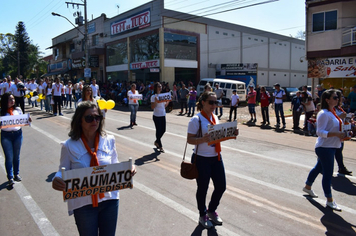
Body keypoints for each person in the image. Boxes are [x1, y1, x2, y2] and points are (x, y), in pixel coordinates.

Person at [52, 101, 136, 235]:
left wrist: (128, 169)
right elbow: (62, 170)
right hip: (83, 204)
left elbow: (115, 164)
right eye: (89, 118)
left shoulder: (109, 140)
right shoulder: (68, 146)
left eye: (97, 117)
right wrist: (57, 179)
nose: (94, 121)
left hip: (109, 200)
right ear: (79, 120)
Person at [187, 91, 239, 229]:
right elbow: (189, 139)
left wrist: (231, 134)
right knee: (202, 188)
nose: (214, 105)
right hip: (201, 159)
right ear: (203, 102)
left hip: (216, 157)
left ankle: (211, 210)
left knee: (221, 186)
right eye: (211, 102)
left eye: (216, 102)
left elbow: (218, 137)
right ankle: (202, 214)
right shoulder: (196, 119)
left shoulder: (215, 117)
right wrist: (201, 140)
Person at [303, 89, 346, 211]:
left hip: (332, 146)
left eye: (338, 97)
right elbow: (319, 132)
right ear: (327, 100)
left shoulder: (333, 112)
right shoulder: (323, 113)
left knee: (319, 168)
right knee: (328, 174)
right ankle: (330, 200)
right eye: (335, 97)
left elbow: (338, 128)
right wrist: (336, 134)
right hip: (324, 148)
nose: (337, 99)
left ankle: (307, 186)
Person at [1, 93, 31, 186]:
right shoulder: (1, 111)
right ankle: (10, 177)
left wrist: (28, 120)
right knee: (9, 157)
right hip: (6, 136)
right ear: (5, 101)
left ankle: (16, 174)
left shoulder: (18, 110)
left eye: (13, 99)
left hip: (18, 135)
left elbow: (23, 120)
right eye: (10, 99)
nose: (12, 101)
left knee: (16, 156)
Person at [334, 91, 352, 175]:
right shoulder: (331, 108)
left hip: (341, 132)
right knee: (331, 151)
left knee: (339, 150)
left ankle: (341, 167)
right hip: (334, 133)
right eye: (340, 96)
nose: (342, 98)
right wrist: (341, 116)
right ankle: (320, 167)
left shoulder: (339, 108)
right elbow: (331, 118)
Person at [151, 82, 169, 152]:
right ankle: (160, 146)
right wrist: (155, 101)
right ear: (156, 88)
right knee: (158, 130)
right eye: (158, 86)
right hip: (156, 115)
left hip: (163, 115)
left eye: (160, 86)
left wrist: (168, 101)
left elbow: (164, 106)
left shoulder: (162, 96)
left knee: (163, 130)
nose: (160, 87)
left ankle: (156, 141)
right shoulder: (153, 97)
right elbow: (152, 107)